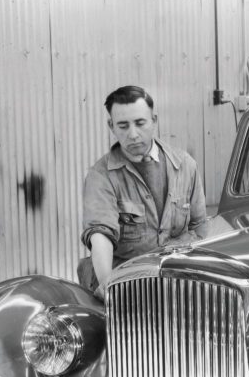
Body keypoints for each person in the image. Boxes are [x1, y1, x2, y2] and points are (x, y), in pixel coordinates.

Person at [80, 86, 207, 301]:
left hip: (178, 283)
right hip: (127, 286)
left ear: (154, 121)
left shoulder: (185, 166)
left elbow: (200, 226)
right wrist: (108, 285)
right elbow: (101, 233)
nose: (133, 134)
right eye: (123, 125)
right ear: (111, 126)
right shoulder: (101, 176)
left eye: (140, 123)